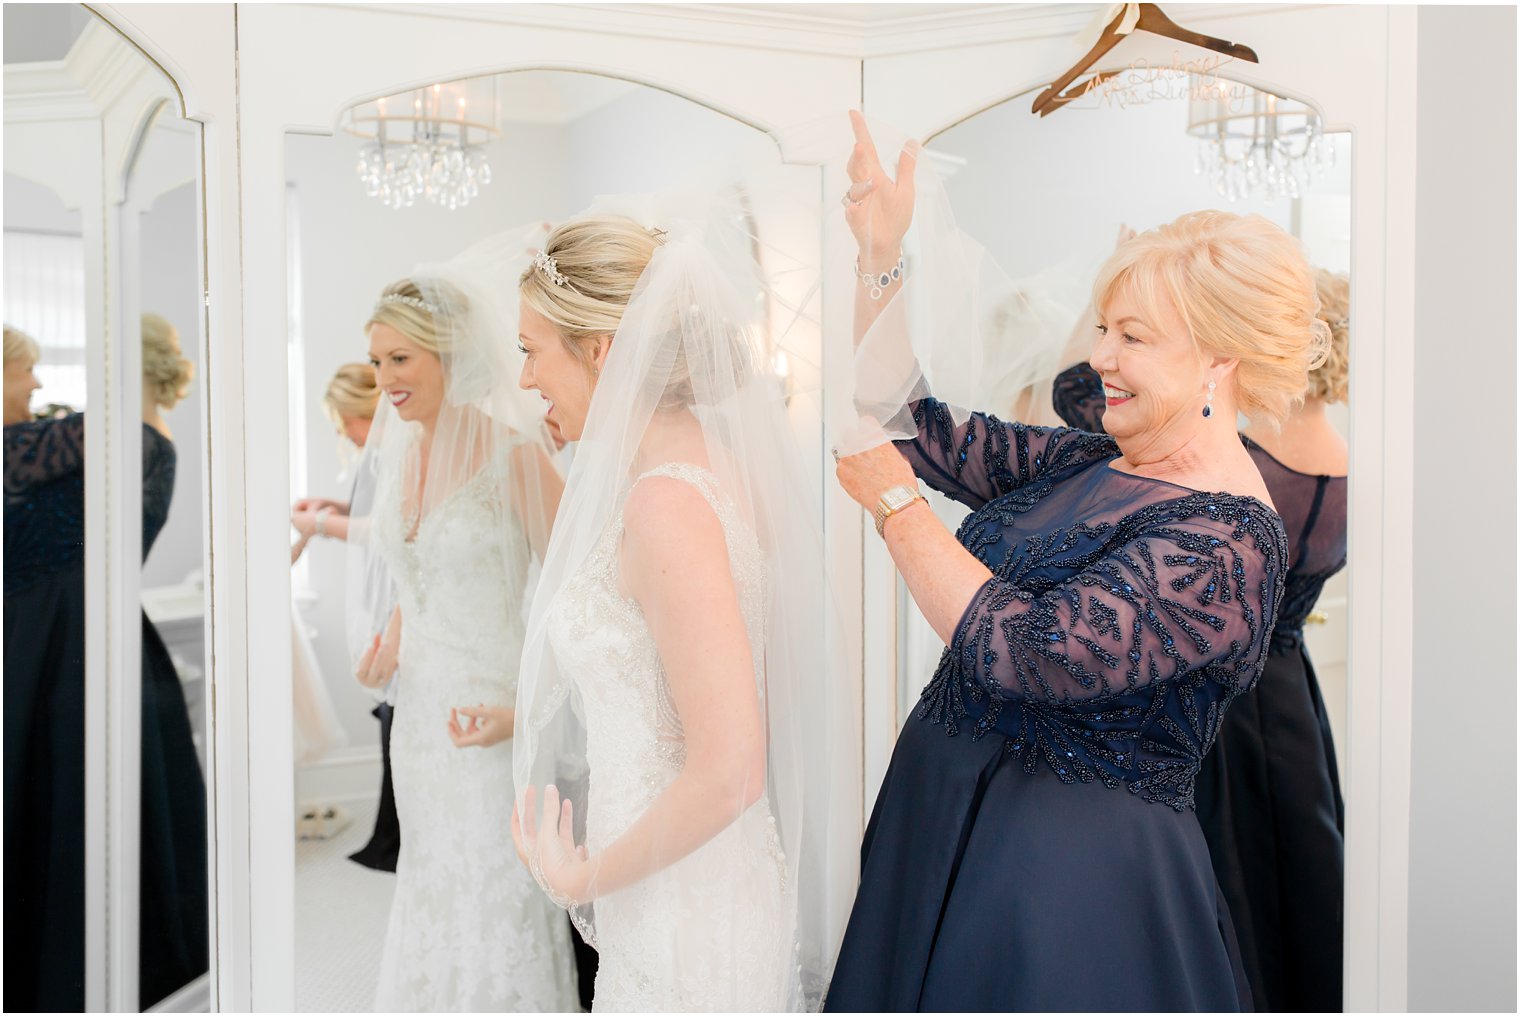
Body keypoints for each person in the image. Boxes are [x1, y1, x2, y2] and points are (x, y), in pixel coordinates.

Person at [824, 113, 1324, 1011]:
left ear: (1219, 361)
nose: (1099, 358)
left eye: (1133, 336)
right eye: (1104, 327)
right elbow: (911, 424)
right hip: (939, 813)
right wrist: (879, 256)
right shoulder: (1091, 459)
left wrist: (898, 509)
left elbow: (1032, 653)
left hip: (1061, 880)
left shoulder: (1228, 545)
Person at [510, 206, 854, 1011]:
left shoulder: (666, 504)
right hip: (681, 879)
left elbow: (730, 767)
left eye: (532, 351)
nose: (524, 378)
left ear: (599, 351)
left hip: (685, 904)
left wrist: (581, 877)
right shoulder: (701, 468)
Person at [1050, 268, 1351, 1012]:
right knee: (1295, 867)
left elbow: (1071, 394)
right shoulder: (1343, 461)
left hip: (1215, 693)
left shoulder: (1229, 454)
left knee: (1222, 879)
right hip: (1291, 700)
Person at [345, 240, 578, 1011]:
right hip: (418, 719)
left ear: (448, 353)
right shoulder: (402, 457)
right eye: (377, 363)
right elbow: (422, 574)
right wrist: (392, 638)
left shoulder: (515, 456)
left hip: (492, 719)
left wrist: (527, 713)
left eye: (401, 360)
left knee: (493, 894)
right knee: (432, 883)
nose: (385, 383)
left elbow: (576, 597)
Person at [4, 316, 209, 1010]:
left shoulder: (107, 441)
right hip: (39, 644)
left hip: (73, 645)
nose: (37, 380)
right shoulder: (48, 445)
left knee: (84, 804)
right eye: (22, 369)